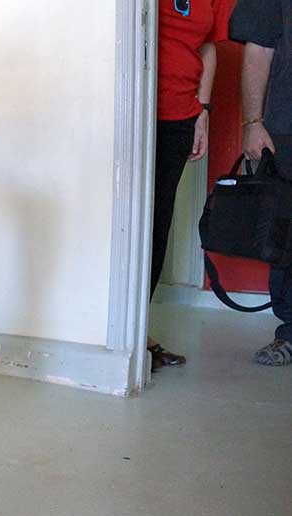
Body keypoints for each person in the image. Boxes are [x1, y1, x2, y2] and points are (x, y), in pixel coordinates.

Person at [150, 0, 231, 371]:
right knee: (132, 228)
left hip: (180, 116)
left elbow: (207, 47)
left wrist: (203, 112)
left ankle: (140, 330)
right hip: (141, 111)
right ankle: (127, 336)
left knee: (158, 225)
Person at [230, 0, 292, 366]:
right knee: (286, 238)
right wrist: (253, 123)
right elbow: (259, 49)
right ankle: (289, 333)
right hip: (286, 128)